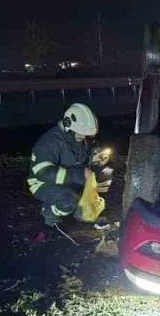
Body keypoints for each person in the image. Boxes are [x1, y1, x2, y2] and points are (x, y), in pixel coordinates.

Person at [27, 103, 112, 241]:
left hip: (71, 177)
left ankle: (86, 211)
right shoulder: (50, 142)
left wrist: (97, 157)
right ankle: (49, 217)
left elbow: (85, 155)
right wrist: (79, 175)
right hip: (42, 183)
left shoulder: (78, 137)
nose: (84, 137)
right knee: (68, 200)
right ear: (68, 125)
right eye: (81, 134)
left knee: (106, 173)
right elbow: (43, 173)